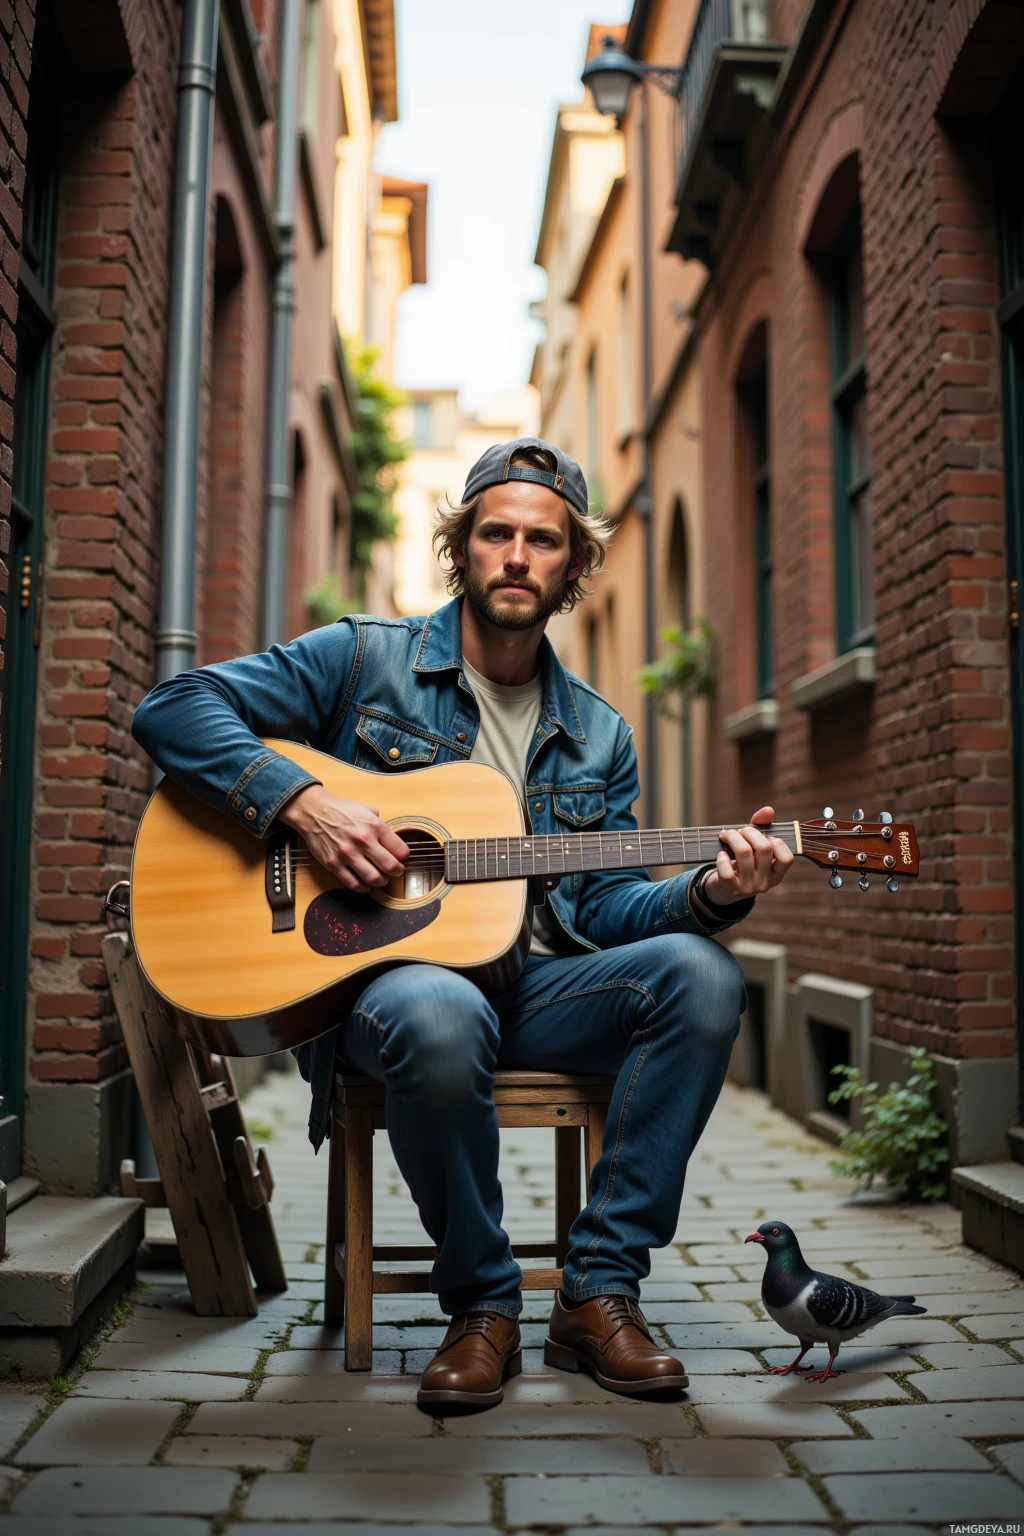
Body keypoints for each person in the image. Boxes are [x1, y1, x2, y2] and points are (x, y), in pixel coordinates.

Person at [132, 438, 794, 1411]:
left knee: (701, 974)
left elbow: (607, 907)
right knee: (436, 1006)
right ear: (461, 546)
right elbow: (174, 706)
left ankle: (598, 1292)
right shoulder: (363, 657)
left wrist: (712, 897)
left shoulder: (600, 733)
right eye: (497, 533)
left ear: (573, 566)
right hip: (381, 995)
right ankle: (481, 1305)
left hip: (536, 992)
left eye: (542, 539)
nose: (517, 554)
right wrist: (302, 803)